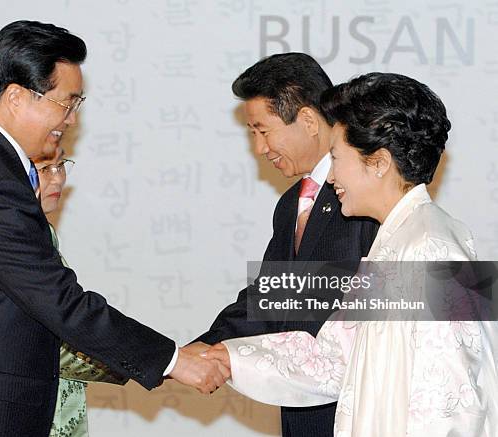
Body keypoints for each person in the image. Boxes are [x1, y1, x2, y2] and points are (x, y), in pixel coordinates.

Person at [0, 20, 226, 436]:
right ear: (16, 97)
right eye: (67, 103)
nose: (70, 120)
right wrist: (174, 360)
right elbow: (61, 302)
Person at [205, 73, 498, 436]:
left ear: (378, 162)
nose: (329, 177)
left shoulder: (431, 247)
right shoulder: (399, 240)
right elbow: (336, 357)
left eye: (336, 157)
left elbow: (453, 405)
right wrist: (227, 358)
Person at [186, 53, 378, 436]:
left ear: (307, 120)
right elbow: (272, 297)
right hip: (300, 415)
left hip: (354, 416)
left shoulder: (366, 195)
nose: (260, 148)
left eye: (262, 130)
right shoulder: (292, 202)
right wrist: (196, 352)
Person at [32, 148, 127, 437]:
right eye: (45, 168)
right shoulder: (13, 237)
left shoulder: (42, 232)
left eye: (60, 166)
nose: (58, 179)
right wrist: (165, 362)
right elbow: (51, 340)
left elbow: (266, 306)